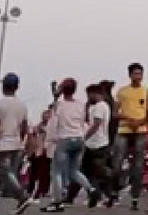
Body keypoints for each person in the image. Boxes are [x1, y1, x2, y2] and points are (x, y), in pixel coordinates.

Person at [42, 78, 101, 212]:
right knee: (73, 170)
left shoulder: (59, 105)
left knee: (57, 171)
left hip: (65, 139)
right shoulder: (80, 105)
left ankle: (57, 201)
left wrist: (56, 94)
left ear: (62, 90)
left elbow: (54, 120)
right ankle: (90, 189)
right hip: (79, 138)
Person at [0, 73, 34, 214]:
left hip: (2, 142)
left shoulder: (0, 104)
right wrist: (23, 143)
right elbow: (24, 127)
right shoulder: (22, 105)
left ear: (4, 86)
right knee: (0, 176)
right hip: (15, 142)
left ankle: (21, 195)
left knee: (5, 172)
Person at [114, 63, 147, 211]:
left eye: (139, 74)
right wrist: (127, 118)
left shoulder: (146, 92)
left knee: (139, 166)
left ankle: (135, 197)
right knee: (117, 161)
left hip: (140, 129)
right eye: (135, 74)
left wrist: (140, 121)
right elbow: (115, 113)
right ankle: (115, 189)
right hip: (124, 129)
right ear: (130, 75)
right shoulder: (122, 92)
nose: (137, 77)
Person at [83, 85, 115, 205]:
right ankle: (101, 193)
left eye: (89, 95)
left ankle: (102, 193)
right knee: (93, 171)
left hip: (96, 144)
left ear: (94, 93)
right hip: (97, 143)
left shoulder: (99, 106)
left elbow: (96, 124)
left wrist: (85, 137)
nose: (88, 98)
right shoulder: (101, 106)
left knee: (95, 171)